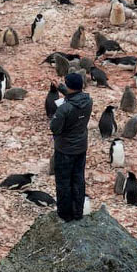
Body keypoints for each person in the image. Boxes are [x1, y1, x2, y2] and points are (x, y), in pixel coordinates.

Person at [49, 72, 93, 221]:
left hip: (65, 149)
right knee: (78, 179)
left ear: (69, 86)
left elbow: (54, 128)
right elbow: (75, 97)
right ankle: (77, 212)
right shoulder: (88, 101)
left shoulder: (64, 109)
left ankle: (65, 215)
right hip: (81, 147)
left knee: (63, 182)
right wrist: (60, 87)